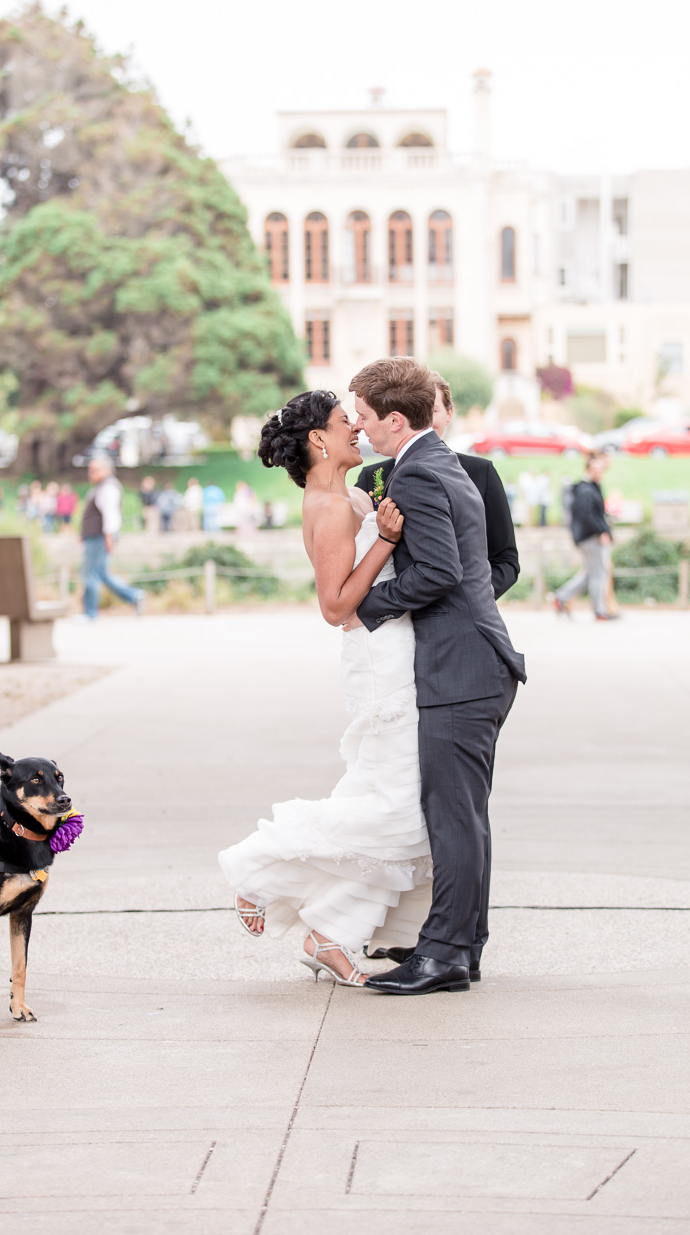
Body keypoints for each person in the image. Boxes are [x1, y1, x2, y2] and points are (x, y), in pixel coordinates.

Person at [218, 390, 431, 986]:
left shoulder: (352, 494)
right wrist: (385, 541)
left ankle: (331, 935)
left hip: (396, 648)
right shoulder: (331, 507)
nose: (355, 430)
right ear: (318, 439)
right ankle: (258, 867)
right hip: (376, 657)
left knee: (389, 797)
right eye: (345, 423)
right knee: (400, 807)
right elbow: (335, 606)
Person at [345, 359, 526, 995]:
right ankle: (461, 946)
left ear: (396, 419)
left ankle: (445, 951)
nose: (359, 430)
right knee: (463, 816)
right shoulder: (438, 461)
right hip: (476, 662)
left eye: (364, 418)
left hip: (463, 667)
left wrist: (366, 607)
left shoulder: (418, 472)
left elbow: (442, 573)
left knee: (452, 817)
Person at [357, 372, 520, 600]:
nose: (423, 418)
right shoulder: (373, 476)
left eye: (432, 410)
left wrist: (469, 600)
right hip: (395, 613)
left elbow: (505, 560)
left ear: (449, 414)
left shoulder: (480, 473)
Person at [78, 454, 145, 622]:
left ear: (107, 470)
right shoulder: (103, 486)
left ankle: (90, 612)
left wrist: (108, 537)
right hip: (96, 536)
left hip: (99, 536)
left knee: (91, 574)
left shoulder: (108, 488)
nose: (91, 473)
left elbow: (110, 515)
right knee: (101, 573)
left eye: (95, 470)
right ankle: (134, 596)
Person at [553, 451, 618, 621]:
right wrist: (601, 531)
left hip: (587, 536)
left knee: (592, 572)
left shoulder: (589, 487)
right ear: (589, 468)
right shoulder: (585, 490)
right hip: (590, 537)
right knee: (598, 573)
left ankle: (562, 596)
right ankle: (599, 610)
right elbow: (588, 515)